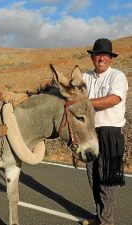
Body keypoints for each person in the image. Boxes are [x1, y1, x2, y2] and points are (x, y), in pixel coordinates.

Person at [81, 38, 128, 225]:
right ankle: (99, 217)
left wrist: (83, 103)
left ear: (111, 58)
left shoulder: (117, 76)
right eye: (98, 54)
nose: (101, 58)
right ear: (92, 57)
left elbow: (113, 100)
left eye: (105, 55)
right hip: (89, 133)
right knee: (93, 178)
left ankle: (107, 222)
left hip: (110, 132)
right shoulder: (85, 77)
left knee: (106, 180)